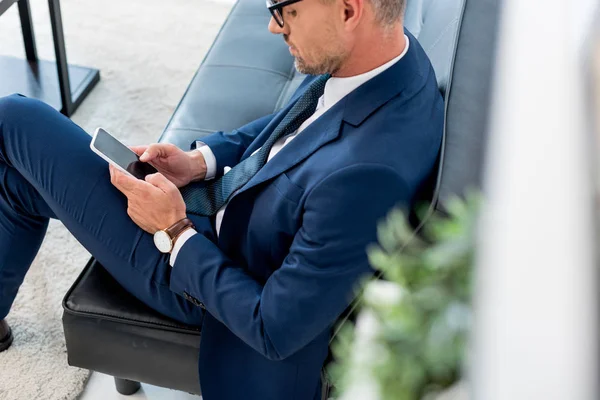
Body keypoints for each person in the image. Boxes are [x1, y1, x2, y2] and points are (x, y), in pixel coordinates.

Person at [0, 0, 443, 398]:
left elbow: (273, 327)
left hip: (207, 279)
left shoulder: (364, 177)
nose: (274, 28)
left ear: (349, 11)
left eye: (286, 11)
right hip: (221, 211)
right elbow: (298, 125)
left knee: (17, 118)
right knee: (14, 182)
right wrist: (199, 162)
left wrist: (173, 231)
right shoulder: (393, 61)